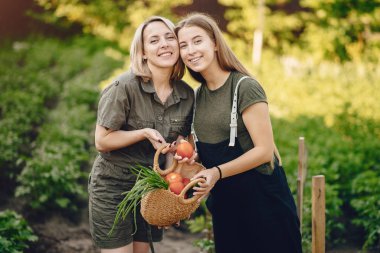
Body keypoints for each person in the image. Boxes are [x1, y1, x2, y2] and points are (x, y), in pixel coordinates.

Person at [175, 13, 302, 253]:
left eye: (197, 41)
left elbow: (264, 152)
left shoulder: (244, 87)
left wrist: (217, 172)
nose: (191, 50)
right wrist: (189, 166)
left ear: (214, 42)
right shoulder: (196, 97)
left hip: (265, 206)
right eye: (183, 45)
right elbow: (201, 156)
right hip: (226, 209)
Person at [88, 16, 195, 253]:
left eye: (169, 37)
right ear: (143, 52)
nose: (164, 44)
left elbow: (176, 151)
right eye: (154, 40)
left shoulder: (187, 95)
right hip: (114, 187)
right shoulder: (124, 87)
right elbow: (102, 141)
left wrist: (173, 195)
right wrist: (143, 132)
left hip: (151, 191)